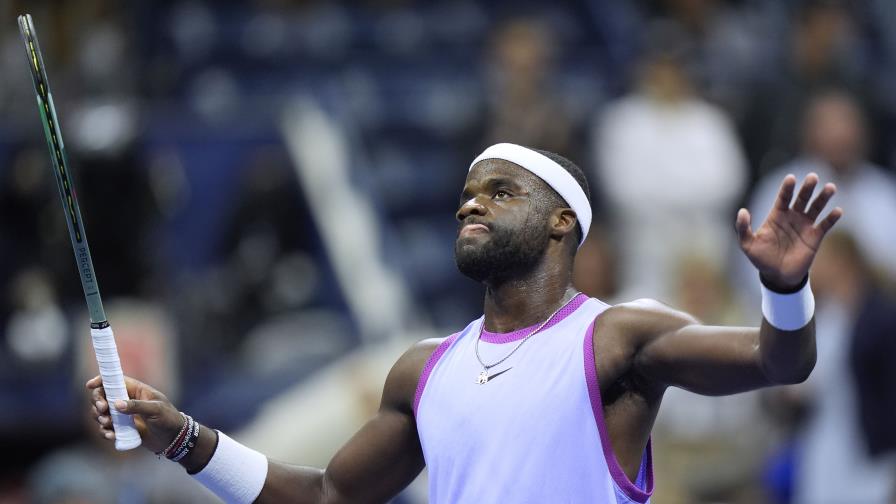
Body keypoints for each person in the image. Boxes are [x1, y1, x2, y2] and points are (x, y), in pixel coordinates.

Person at [88, 143, 841, 503]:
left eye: (499, 191)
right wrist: (183, 438)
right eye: (468, 192)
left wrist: (785, 286)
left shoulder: (618, 336)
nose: (469, 204)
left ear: (558, 224)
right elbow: (326, 498)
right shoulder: (423, 369)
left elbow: (779, 363)